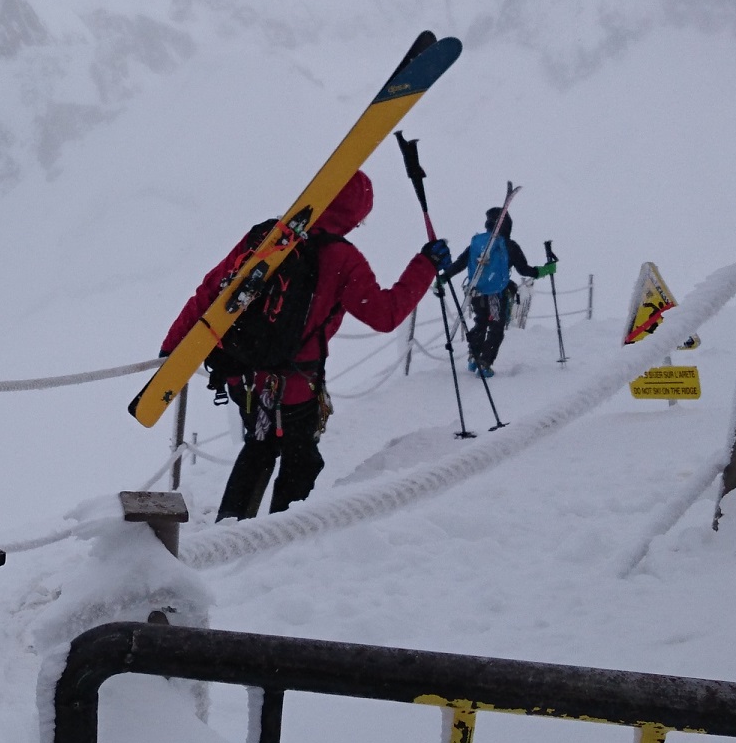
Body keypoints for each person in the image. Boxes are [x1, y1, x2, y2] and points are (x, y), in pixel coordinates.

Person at [161, 170, 446, 520]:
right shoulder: (342, 257)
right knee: (302, 461)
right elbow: (384, 315)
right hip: (295, 386)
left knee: (260, 447)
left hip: (244, 375)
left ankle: (231, 530)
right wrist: (426, 265)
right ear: (355, 214)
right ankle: (282, 536)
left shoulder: (268, 235)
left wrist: (171, 351)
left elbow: (211, 291)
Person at [439, 207, 555, 377]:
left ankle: (474, 356)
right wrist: (544, 271)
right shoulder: (509, 245)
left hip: (476, 293)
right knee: (496, 327)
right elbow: (524, 270)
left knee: (480, 322)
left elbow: (460, 263)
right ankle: (485, 363)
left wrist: (443, 277)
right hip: (496, 295)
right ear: (507, 225)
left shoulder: (477, 243)